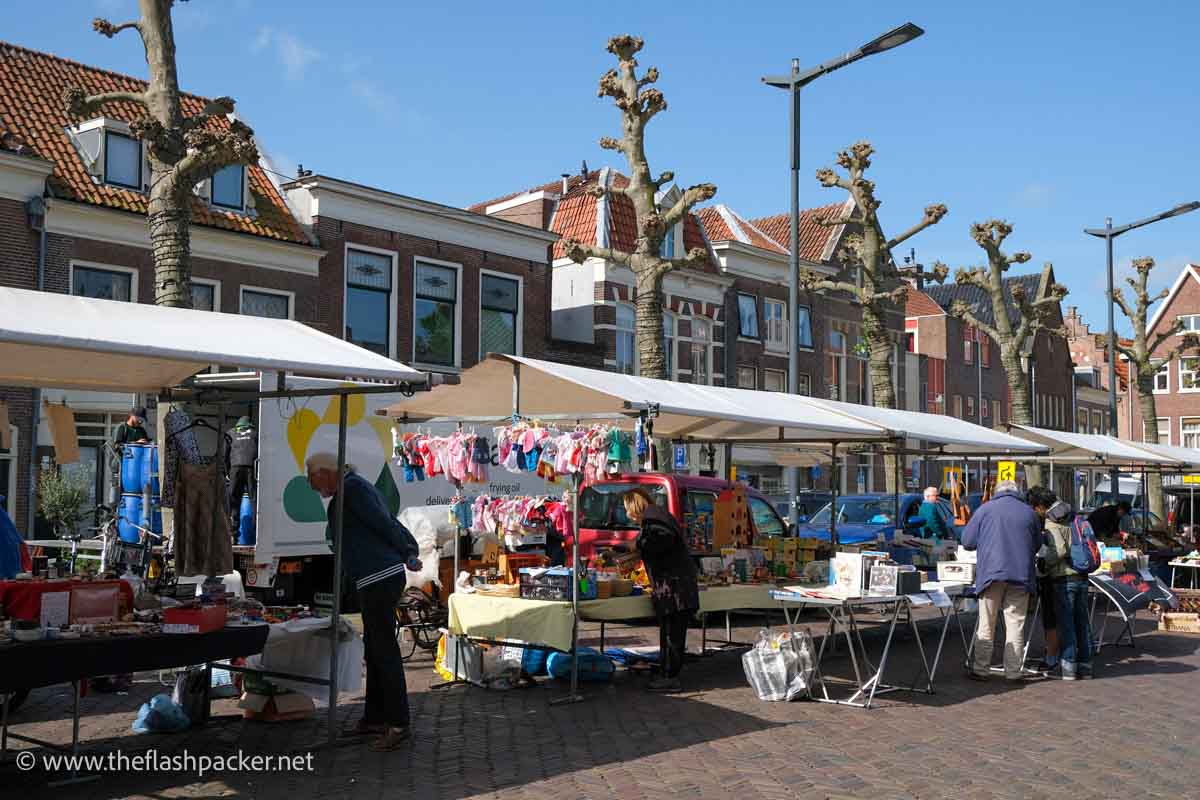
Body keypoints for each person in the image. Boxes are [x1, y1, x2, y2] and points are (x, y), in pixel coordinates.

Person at [307, 452, 422, 751]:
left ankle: (398, 723)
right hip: (374, 576)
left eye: (312, 477)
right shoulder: (352, 487)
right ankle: (376, 717)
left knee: (383, 650)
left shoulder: (354, 489)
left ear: (326, 472)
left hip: (379, 576)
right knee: (375, 648)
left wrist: (408, 549)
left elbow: (383, 522)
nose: (310, 485)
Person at [961, 479, 1043, 681]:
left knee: (987, 622)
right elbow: (1037, 544)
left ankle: (981, 668)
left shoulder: (985, 509)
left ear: (997, 492)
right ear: (1017, 492)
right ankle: (1013, 671)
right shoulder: (1029, 513)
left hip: (991, 574)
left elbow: (967, 541)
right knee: (1016, 623)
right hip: (1021, 575)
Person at [622, 488, 699, 693]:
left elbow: (659, 543)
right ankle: (667, 672)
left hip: (674, 587)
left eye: (627, 510)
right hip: (673, 586)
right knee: (669, 632)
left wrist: (636, 544)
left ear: (634, 506)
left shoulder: (654, 519)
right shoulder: (655, 517)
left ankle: (670, 677)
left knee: (672, 634)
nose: (627, 515)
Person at [1041, 493, 1094, 680]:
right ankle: (1086, 665)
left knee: (1067, 624)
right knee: (1082, 623)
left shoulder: (1052, 522)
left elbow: (1060, 550)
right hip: (1082, 575)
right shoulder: (1077, 519)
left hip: (1063, 578)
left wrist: (1045, 564)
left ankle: (1068, 666)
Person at [1026, 486, 1059, 674]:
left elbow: (1049, 548)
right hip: (1070, 574)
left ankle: (1052, 656)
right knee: (1062, 616)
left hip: (1051, 573)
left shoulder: (1049, 519)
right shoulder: (1067, 513)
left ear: (1039, 506)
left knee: (1050, 616)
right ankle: (1067, 654)